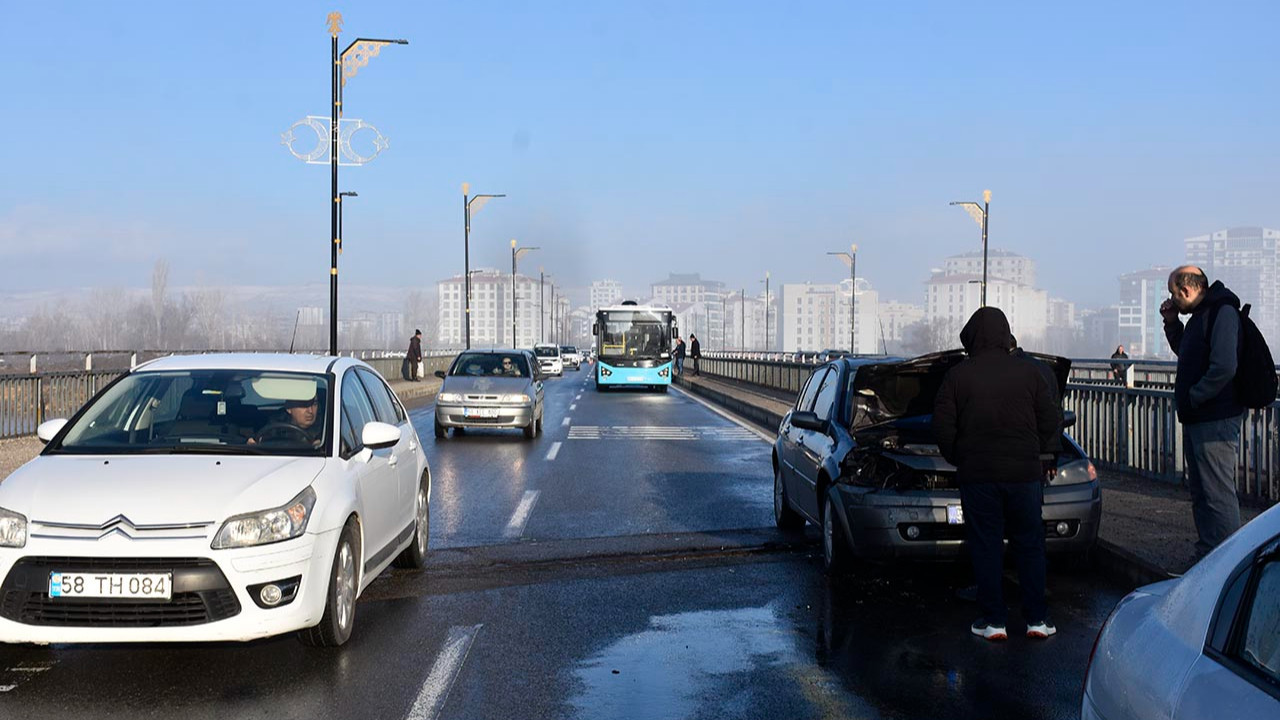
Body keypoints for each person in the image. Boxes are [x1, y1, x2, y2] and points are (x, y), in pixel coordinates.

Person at [933, 307, 1063, 642]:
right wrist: (1035, 451)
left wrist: (960, 456)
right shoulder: (1029, 373)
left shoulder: (958, 376)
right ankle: (1037, 619)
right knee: (1029, 544)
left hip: (978, 475)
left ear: (973, 336)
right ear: (1005, 334)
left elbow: (943, 428)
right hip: (1023, 475)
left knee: (986, 545)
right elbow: (1052, 420)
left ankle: (993, 621)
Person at [1160, 266, 1243, 558]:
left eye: (1173, 293)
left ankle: (1230, 562)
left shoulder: (1222, 312)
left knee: (1217, 495)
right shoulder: (1199, 317)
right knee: (1202, 493)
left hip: (1215, 419)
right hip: (1199, 418)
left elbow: (1224, 367)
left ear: (1186, 290)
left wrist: (1195, 397)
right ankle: (1209, 555)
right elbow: (1189, 352)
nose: (1172, 299)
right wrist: (1172, 324)